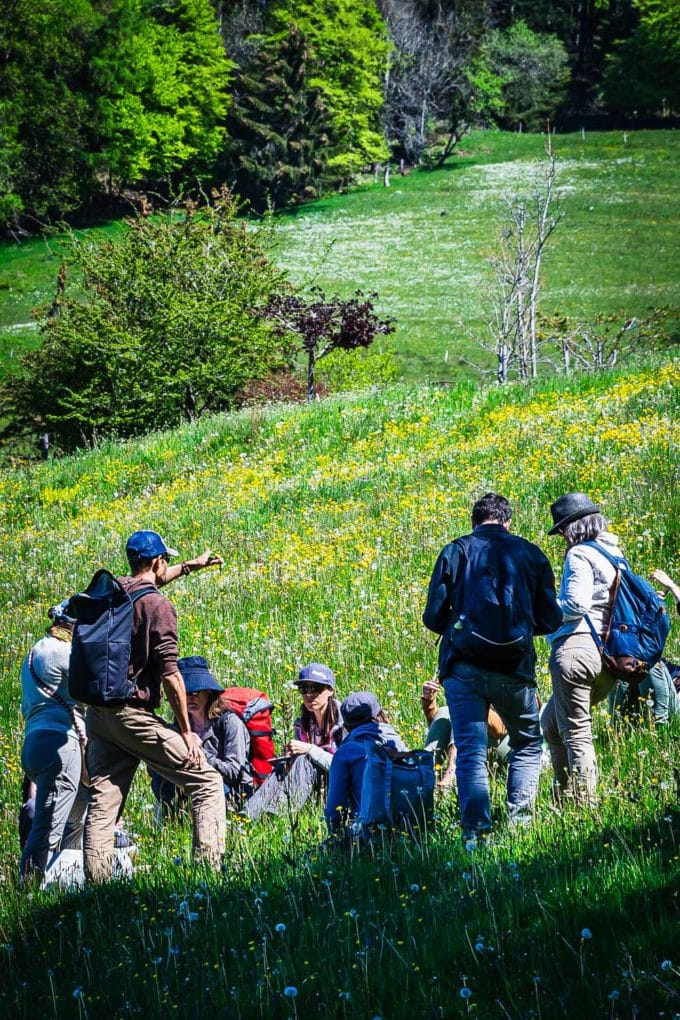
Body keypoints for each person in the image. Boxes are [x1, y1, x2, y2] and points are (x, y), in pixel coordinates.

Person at [83, 531, 226, 881]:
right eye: (167, 561)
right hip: (133, 715)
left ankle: (98, 890)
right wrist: (188, 732)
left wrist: (189, 567)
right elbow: (171, 674)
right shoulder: (158, 607)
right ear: (158, 560)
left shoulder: (113, 594)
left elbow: (150, 583)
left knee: (104, 802)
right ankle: (208, 877)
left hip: (98, 714)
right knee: (206, 782)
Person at [423, 492, 562, 845]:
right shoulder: (531, 554)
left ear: (474, 521)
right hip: (514, 667)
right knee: (528, 743)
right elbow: (551, 617)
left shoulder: (456, 550)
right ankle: (520, 825)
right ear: (508, 521)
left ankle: (475, 833)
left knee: (470, 749)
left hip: (463, 667)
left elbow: (432, 616)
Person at [540, 493, 621, 805]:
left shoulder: (579, 554)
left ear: (571, 528)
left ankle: (583, 805)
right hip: (609, 655)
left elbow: (576, 603)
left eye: (561, 530)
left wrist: (542, 611)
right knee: (550, 724)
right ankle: (562, 796)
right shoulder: (614, 554)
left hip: (577, 649)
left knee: (575, 732)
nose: (561, 536)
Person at [19, 599, 89, 881]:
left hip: (35, 741)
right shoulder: (61, 651)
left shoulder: (35, 651)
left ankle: (68, 880)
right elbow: (90, 689)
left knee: (78, 810)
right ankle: (28, 892)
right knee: (48, 830)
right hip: (60, 742)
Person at [151, 656, 253, 815]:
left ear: (209, 693)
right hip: (191, 789)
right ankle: (170, 824)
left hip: (230, 792)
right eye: (186, 692)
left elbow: (234, 773)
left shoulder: (229, 723)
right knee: (161, 780)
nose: (190, 698)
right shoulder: (180, 726)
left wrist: (201, 753)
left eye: (196, 692)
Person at [245, 663, 342, 821]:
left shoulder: (343, 723)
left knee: (304, 759)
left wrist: (309, 749)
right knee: (284, 765)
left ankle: (278, 813)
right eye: (304, 690)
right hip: (312, 779)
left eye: (316, 688)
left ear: (330, 690)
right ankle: (249, 813)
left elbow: (342, 766)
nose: (310, 695)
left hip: (337, 781)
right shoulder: (302, 723)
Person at [324, 692, 406, 834]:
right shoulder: (398, 743)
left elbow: (334, 810)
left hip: (370, 834)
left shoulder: (345, 752)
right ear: (380, 714)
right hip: (410, 830)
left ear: (347, 725)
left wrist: (337, 838)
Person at [420, 679, 510, 789]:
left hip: (505, 754)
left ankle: (453, 771)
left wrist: (469, 699)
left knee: (464, 710)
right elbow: (439, 731)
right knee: (444, 712)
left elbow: (499, 730)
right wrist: (429, 702)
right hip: (476, 749)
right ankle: (422, 772)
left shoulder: (506, 675)